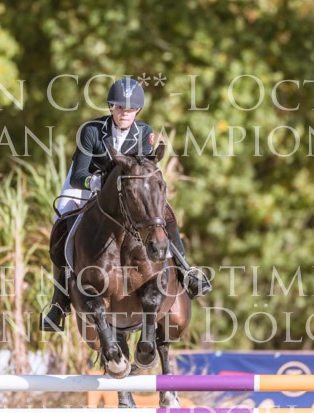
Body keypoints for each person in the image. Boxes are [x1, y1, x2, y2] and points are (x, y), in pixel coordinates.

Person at [41, 77, 212, 332]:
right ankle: (59, 301)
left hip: (125, 189)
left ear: (138, 111)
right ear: (111, 107)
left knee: (164, 213)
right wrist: (97, 183)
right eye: (120, 107)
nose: (125, 113)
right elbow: (78, 175)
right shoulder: (91, 130)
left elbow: (142, 169)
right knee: (62, 221)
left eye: (130, 109)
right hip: (88, 183)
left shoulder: (144, 133)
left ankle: (187, 272)